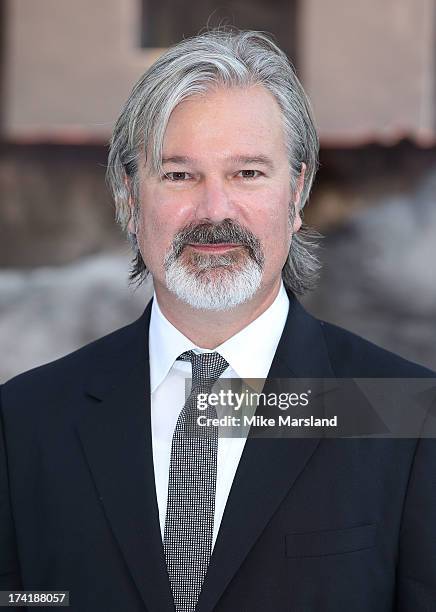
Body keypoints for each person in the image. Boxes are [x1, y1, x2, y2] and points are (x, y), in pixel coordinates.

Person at [1, 28, 435, 612]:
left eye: (247, 173)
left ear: (297, 192)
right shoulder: (24, 422)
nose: (214, 211)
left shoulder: (403, 413)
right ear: (130, 198)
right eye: (179, 174)